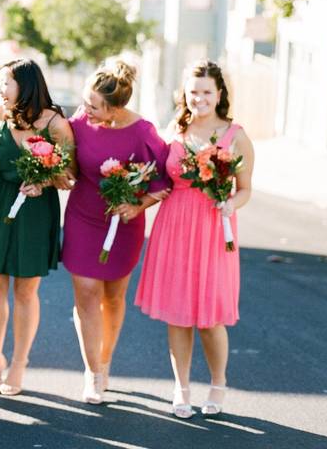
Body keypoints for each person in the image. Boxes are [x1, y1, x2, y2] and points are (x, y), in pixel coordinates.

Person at [135, 61, 254, 418]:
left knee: (210, 318)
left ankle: (218, 383)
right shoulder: (175, 130)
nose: (198, 98)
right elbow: (160, 180)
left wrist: (230, 202)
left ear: (219, 94)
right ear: (183, 95)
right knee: (178, 315)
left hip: (213, 229)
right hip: (174, 226)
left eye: (205, 92)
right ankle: (181, 388)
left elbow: (246, 189)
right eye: (192, 92)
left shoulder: (236, 135)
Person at [60, 60, 169, 404]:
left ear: (116, 108)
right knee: (87, 294)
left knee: (113, 297)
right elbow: (58, 144)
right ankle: (93, 373)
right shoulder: (79, 122)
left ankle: (106, 362)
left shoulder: (143, 132)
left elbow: (163, 179)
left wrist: (138, 205)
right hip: (83, 216)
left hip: (124, 223)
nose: (85, 109)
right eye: (85, 101)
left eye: (94, 106)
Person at [0, 59, 73, 395]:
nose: (0, 91)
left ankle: (19, 363)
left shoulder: (55, 124)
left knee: (25, 292)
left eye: (5, 84)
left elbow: (69, 175)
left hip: (35, 211)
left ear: (25, 86)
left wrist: (46, 180)